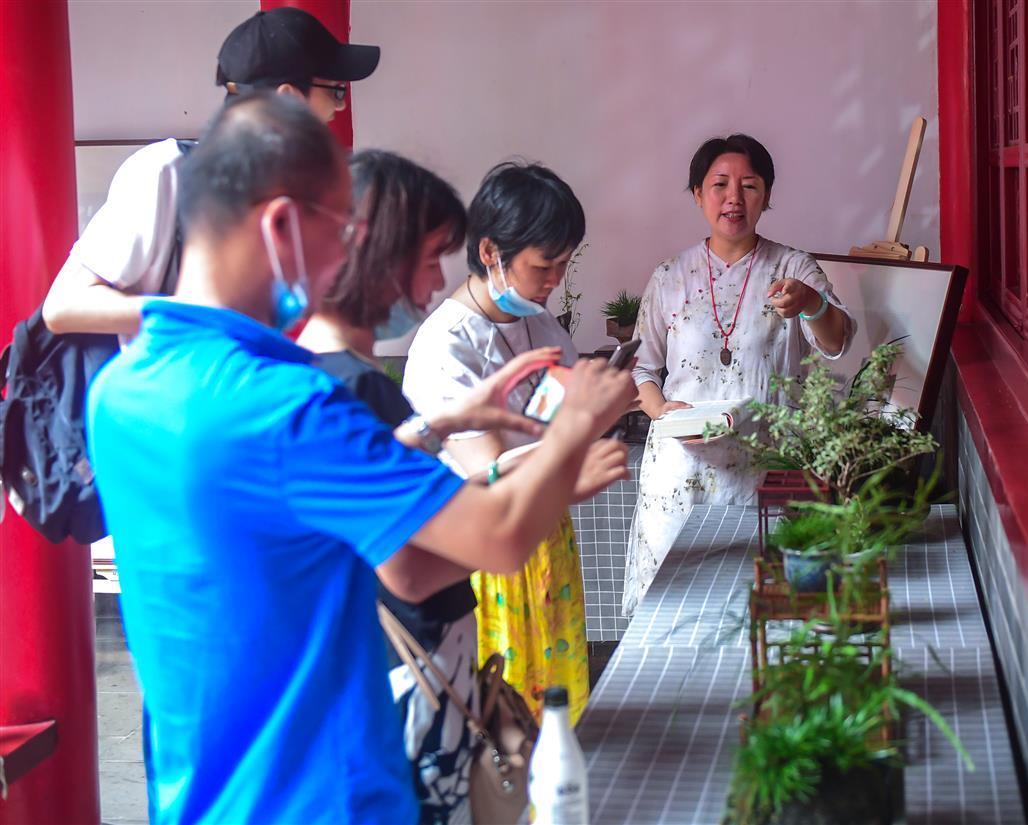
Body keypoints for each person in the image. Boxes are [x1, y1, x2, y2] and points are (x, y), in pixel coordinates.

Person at [86, 93, 635, 824]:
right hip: (328, 797)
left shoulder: (121, 388)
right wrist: (578, 424)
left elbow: (300, 534)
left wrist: (428, 429)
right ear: (283, 228)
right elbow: (497, 539)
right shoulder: (290, 406)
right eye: (344, 231)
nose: (356, 258)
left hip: (200, 794)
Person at [404, 162, 611, 725]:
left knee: (560, 713)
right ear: (491, 251)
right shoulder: (447, 345)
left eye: (564, 265)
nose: (554, 282)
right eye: (544, 266)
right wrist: (578, 432)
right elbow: (490, 469)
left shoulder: (543, 328)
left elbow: (557, 419)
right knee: (503, 718)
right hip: (483, 552)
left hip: (545, 538)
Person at [622, 134, 856, 616]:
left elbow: (836, 341)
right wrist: (662, 409)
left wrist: (810, 304)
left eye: (749, 185)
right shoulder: (670, 276)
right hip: (682, 468)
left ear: (767, 195)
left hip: (765, 466)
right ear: (697, 194)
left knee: (763, 609)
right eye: (719, 184)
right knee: (675, 613)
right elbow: (641, 368)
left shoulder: (792, 267)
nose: (734, 198)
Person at [42, 6, 380, 337]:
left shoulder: (291, 193)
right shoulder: (165, 172)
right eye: (336, 92)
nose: (340, 107)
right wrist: (201, 315)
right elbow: (63, 306)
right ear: (288, 98)